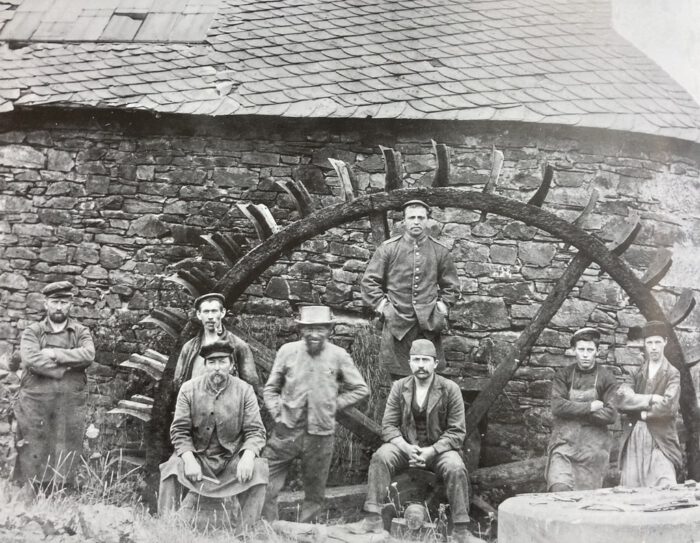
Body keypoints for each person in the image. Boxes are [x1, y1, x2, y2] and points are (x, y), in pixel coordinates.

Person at [352, 339, 477, 543]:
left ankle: (461, 530)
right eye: (416, 360)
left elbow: (457, 432)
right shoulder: (400, 387)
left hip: (439, 450)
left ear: (435, 364)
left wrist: (432, 451)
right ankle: (372, 518)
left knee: (455, 467)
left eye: (425, 360)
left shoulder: (450, 388)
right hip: (406, 447)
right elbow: (389, 426)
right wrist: (406, 447)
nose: (421, 365)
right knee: (381, 457)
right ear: (409, 363)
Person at [262, 305, 369, 522]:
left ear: (329, 329)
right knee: (264, 481)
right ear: (301, 330)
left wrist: (333, 405)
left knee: (315, 492)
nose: (314, 334)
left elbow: (361, 389)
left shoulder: (339, 355)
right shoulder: (287, 351)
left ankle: (305, 532)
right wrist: (277, 413)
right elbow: (270, 389)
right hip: (286, 431)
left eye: (320, 328)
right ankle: (266, 530)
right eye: (309, 329)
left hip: (321, 435)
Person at [158, 340, 268, 530]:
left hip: (231, 460)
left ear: (232, 365)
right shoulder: (188, 389)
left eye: (222, 362)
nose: (217, 368)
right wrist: (189, 458)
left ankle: (244, 532)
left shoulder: (245, 391)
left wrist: (248, 456)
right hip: (199, 458)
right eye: (212, 362)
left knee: (259, 469)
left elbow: (255, 431)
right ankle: (166, 529)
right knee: (172, 468)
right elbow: (179, 430)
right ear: (205, 365)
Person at [361, 200, 460, 379]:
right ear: (404, 222)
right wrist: (385, 308)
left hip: (428, 325)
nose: (416, 222)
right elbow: (369, 283)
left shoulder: (440, 251)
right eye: (411, 217)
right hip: (397, 324)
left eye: (421, 218)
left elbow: (451, 286)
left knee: (428, 375)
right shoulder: (388, 249)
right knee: (398, 379)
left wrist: (441, 308)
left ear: (428, 221)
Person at [13, 281, 95, 491]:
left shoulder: (80, 331)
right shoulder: (33, 331)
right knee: (33, 444)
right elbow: (31, 360)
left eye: (64, 302)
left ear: (70, 305)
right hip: (36, 400)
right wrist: (65, 369)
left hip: (69, 401)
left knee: (66, 445)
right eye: (55, 302)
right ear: (46, 304)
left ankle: (60, 493)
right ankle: (29, 494)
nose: (59, 307)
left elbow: (88, 354)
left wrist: (54, 353)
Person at [545, 327, 618, 492]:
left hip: (593, 448)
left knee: (585, 498)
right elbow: (557, 406)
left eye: (590, 350)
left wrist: (571, 411)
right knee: (559, 489)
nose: (585, 354)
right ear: (573, 350)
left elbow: (611, 415)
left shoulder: (607, 378)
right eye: (581, 349)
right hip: (564, 442)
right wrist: (589, 407)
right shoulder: (563, 375)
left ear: (597, 352)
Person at [616, 320, 682, 487]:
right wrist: (651, 398)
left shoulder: (673, 373)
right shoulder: (636, 372)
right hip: (635, 434)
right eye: (649, 342)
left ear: (665, 342)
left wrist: (641, 413)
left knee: (664, 483)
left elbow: (668, 407)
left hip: (660, 437)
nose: (653, 347)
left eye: (657, 342)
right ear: (644, 344)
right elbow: (622, 399)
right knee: (632, 487)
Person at [173, 292, 259, 390]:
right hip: (195, 401)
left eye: (214, 311)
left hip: (226, 403)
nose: (210, 316)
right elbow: (177, 382)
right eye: (206, 311)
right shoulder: (189, 347)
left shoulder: (238, 346)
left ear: (222, 313)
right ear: (199, 314)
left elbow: (251, 384)